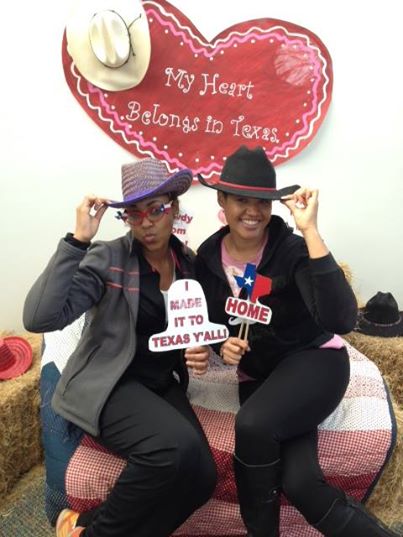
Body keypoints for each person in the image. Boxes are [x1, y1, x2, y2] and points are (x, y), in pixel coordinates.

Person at [195, 145, 399, 537]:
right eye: (241, 200)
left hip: (314, 362)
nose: (252, 211)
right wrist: (224, 346)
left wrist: (309, 230)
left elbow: (340, 319)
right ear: (221, 199)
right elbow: (216, 325)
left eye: (262, 202)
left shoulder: (290, 251)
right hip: (262, 380)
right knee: (301, 482)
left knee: (253, 425)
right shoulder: (207, 257)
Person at [23, 158, 217, 537]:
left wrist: (199, 348)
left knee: (203, 476)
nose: (147, 221)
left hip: (162, 383)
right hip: (111, 382)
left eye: (157, 209)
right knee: (171, 449)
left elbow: (191, 329)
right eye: (135, 213)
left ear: (174, 208)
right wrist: (77, 241)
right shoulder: (107, 258)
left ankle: (83, 525)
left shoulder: (189, 264)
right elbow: (39, 318)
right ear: (126, 218)